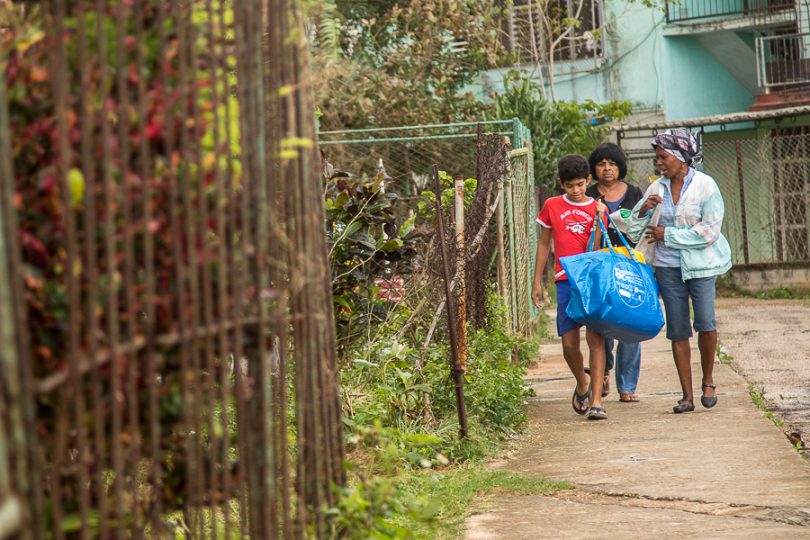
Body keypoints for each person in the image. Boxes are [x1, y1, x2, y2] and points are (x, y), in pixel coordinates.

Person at [625, 128, 732, 414]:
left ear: (680, 158)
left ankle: (708, 381)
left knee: (706, 323)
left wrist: (669, 235)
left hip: (700, 266)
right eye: (657, 158)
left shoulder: (706, 185)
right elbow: (635, 230)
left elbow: (709, 230)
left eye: (663, 157)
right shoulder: (655, 188)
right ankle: (687, 395)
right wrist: (643, 210)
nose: (659, 163)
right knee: (677, 329)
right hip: (666, 268)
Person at [531, 154, 609, 420]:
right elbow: (544, 244)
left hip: (592, 281)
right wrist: (537, 281)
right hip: (565, 280)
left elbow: (597, 248)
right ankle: (582, 382)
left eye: (580, 184)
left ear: (588, 180)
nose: (576, 191)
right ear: (560, 184)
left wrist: (599, 220)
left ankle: (597, 401)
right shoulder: (552, 206)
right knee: (568, 345)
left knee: (596, 339)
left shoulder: (598, 208)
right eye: (569, 186)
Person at [586, 143, 644, 403]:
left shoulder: (635, 193)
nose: (607, 168)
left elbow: (642, 227)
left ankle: (627, 385)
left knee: (631, 321)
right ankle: (604, 371)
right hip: (599, 265)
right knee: (603, 322)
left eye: (611, 163)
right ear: (594, 169)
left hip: (630, 265)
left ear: (620, 166)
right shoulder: (587, 195)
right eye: (601, 163)